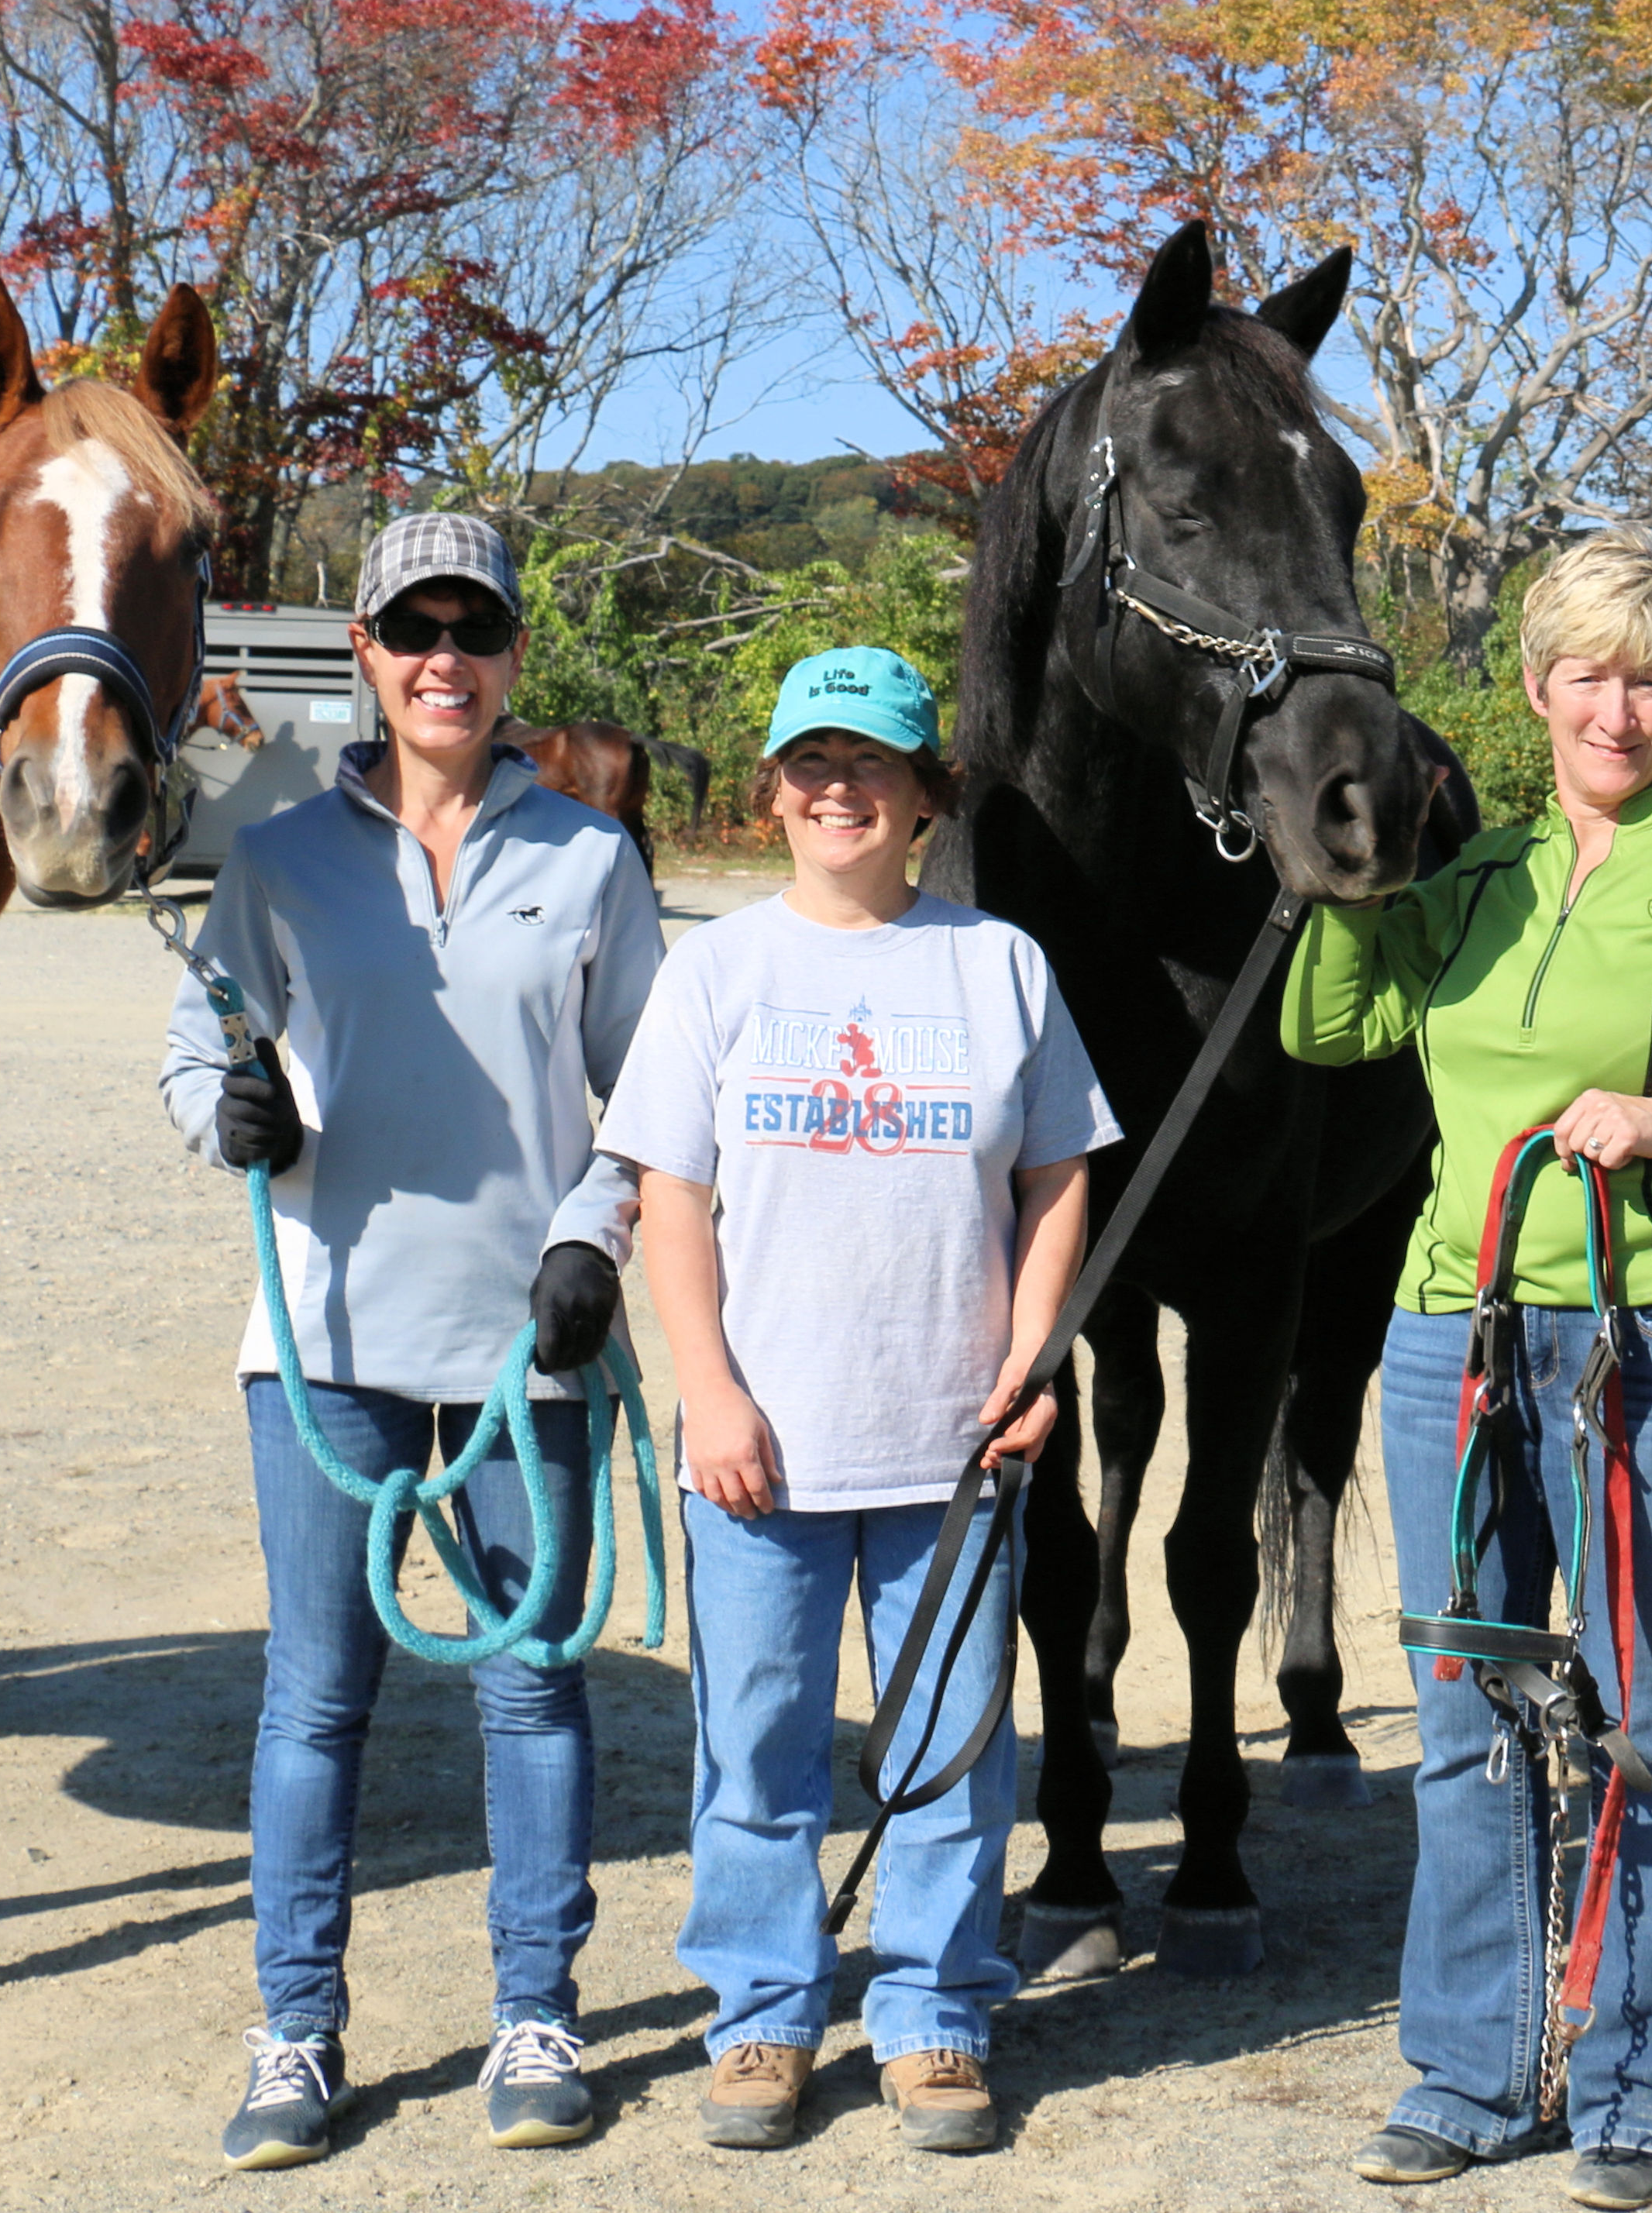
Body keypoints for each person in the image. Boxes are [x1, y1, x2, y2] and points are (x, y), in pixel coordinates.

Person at [1282, 534, 1652, 2210]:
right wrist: (1348, 882)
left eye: (1647, 676)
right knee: (1468, 1711)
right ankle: (1467, 2075)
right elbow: (1327, 1032)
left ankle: (1636, 2087)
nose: (1615, 709)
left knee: (1647, 1727)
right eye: (1584, 674)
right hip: (1452, 1341)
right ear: (1535, 688)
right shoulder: (1469, 881)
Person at [159, 511, 667, 2170]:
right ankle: (294, 2032)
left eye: (476, 627)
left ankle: (539, 2011)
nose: (444, 655)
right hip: (322, 1352)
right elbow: (202, 1046)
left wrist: (595, 1235)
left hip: (531, 1353)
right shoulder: (281, 860)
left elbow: (651, 1096)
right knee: (315, 1704)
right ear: (368, 655)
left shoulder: (590, 860)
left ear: (515, 654)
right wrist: (225, 1114)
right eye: (410, 627)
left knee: (531, 1693)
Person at [597, 645, 1116, 2157]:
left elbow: (1059, 1176)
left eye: (871, 765)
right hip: (762, 1444)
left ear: (923, 798)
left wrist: (1033, 1363)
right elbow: (669, 1195)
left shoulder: (995, 965)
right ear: (771, 796)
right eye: (811, 765)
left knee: (944, 1748)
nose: (840, 789)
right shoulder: (717, 971)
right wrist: (707, 1391)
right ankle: (762, 2014)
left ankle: (935, 2015)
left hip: (949, 1447)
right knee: (756, 1743)